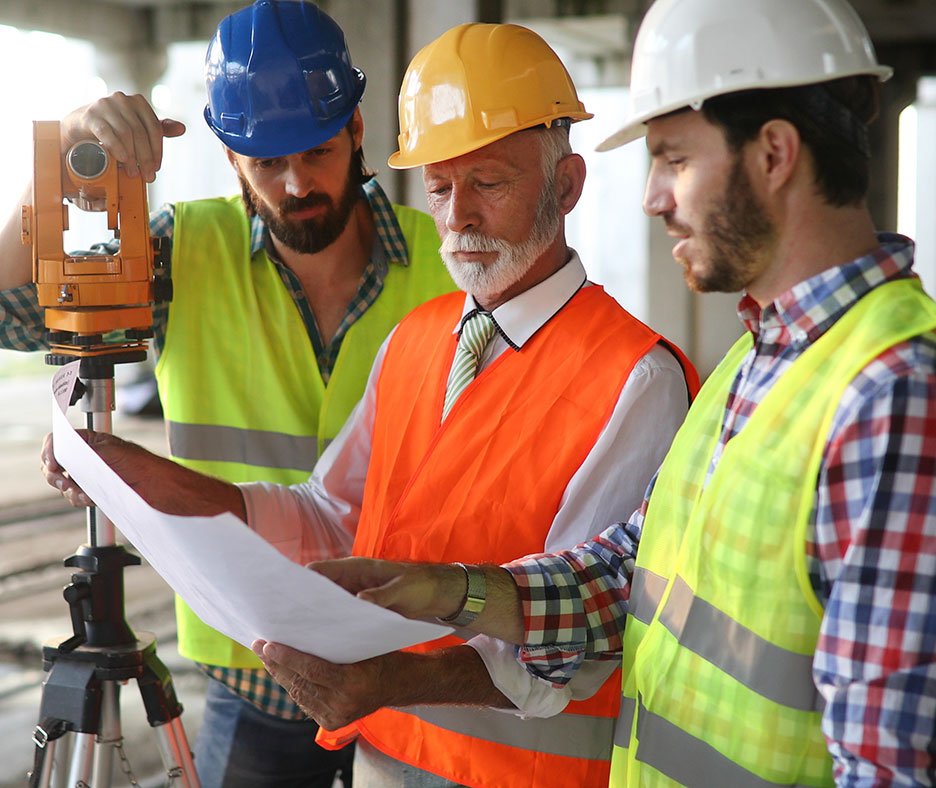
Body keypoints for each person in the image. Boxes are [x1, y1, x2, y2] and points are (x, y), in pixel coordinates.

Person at [291, 0, 936, 786]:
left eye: (674, 159)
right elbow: (629, 574)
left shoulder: (890, 395)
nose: (652, 197)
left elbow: (889, 763)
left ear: (773, 153)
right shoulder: (755, 359)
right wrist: (447, 591)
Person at [41, 21, 699, 788]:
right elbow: (332, 516)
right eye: (443, 187)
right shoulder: (416, 341)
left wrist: (392, 682)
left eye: (489, 182)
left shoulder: (634, 376)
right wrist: (136, 474)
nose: (459, 218)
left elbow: (587, 633)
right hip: (383, 761)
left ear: (568, 186)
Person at [2, 1, 456, 785]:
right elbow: (10, 313)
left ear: (355, 133)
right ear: (229, 154)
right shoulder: (182, 250)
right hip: (255, 677)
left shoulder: (445, 265)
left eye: (315, 151)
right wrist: (68, 145)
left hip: (411, 669)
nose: (295, 184)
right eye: (265, 162)